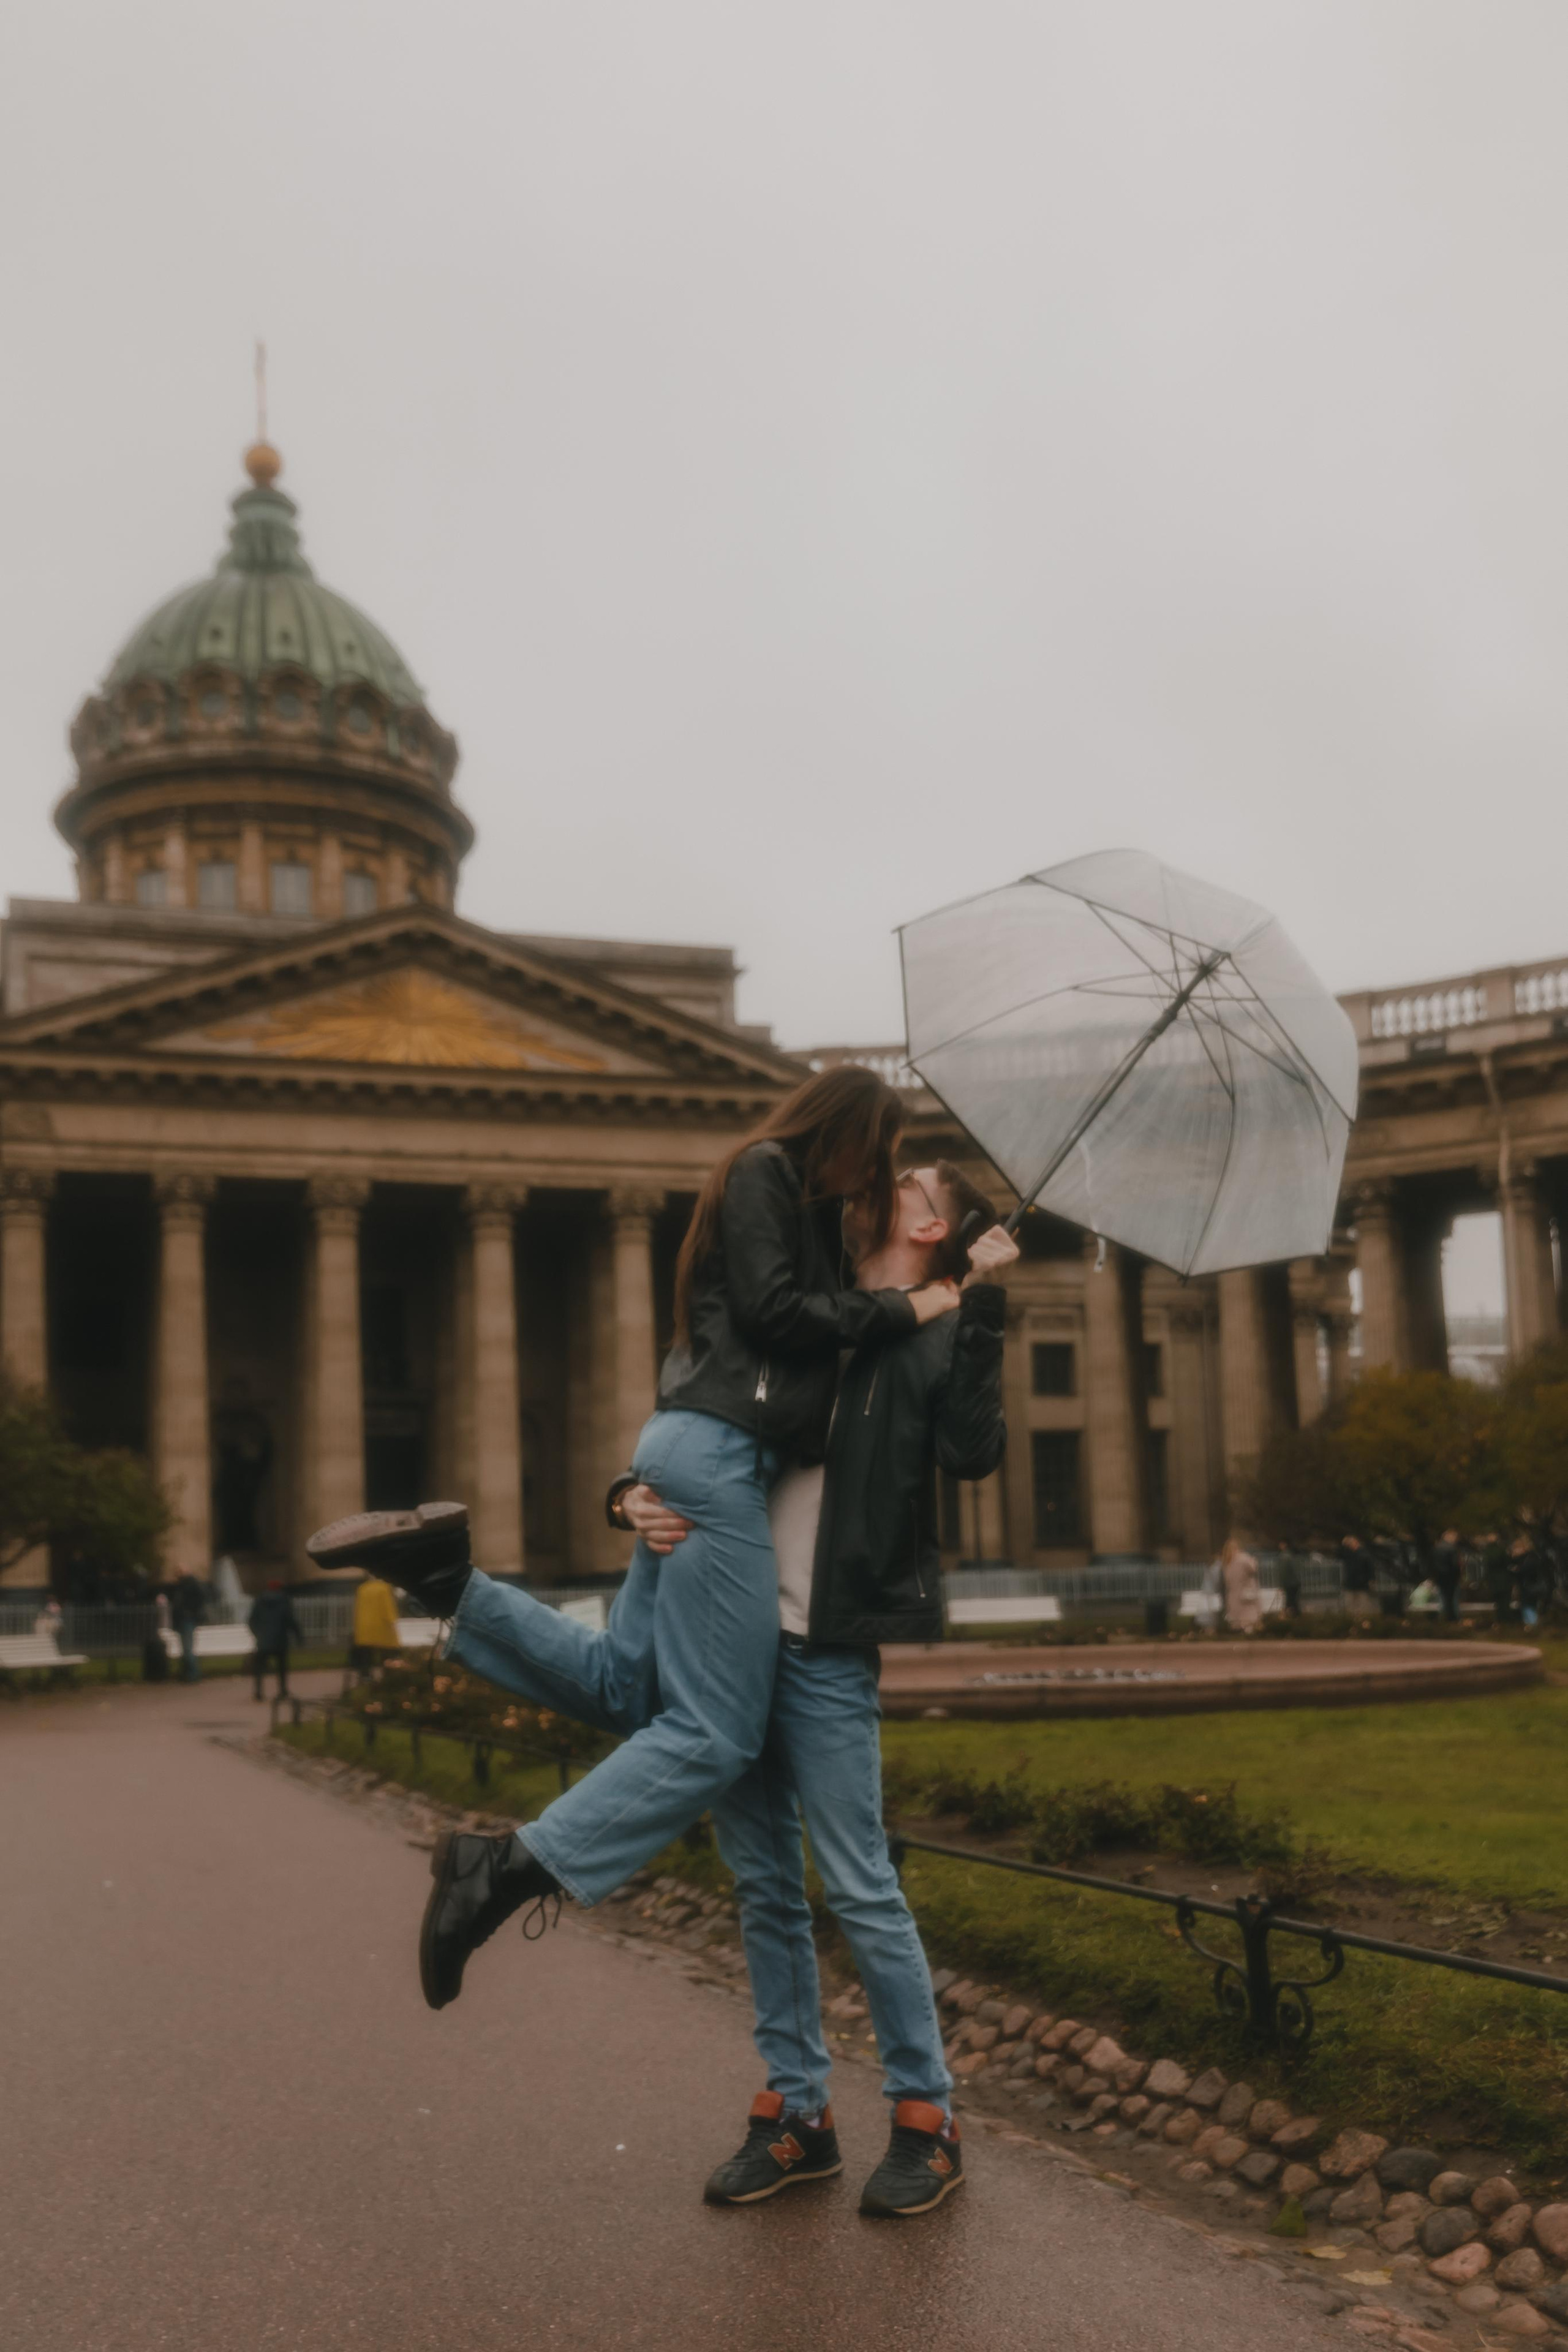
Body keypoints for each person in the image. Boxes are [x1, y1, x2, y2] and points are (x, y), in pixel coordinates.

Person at [305, 1067, 958, 2006]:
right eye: (880, 1159)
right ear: (846, 1129)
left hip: (701, 1464)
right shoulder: (770, 1177)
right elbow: (769, 1327)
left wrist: (961, 1302)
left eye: (903, 1184)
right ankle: (509, 1865)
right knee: (716, 1734)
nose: (877, 1183)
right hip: (717, 1465)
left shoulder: (831, 1245)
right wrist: (909, 1306)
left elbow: (761, 1369)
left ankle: (448, 1581)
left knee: (628, 1683)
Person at [620, 1161, 1016, 2218]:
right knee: (763, 1887)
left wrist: (982, 1307)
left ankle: (928, 2118)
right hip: (734, 1638)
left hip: (828, 1641)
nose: (880, 1177)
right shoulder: (802, 1312)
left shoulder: (938, 1329)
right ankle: (798, 2115)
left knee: (858, 1884)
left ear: (931, 1228)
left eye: (908, 1179)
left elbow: (972, 1451)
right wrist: (629, 1495)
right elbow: (697, 1423)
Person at [248, 1580, 304, 1702]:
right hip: (280, 1640)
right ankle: (282, 1690)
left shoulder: (260, 1601)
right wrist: (299, 1637)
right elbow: (290, 1620)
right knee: (282, 1667)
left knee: (259, 1668)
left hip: (263, 1641)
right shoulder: (284, 1601)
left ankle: (258, 1692)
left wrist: (258, 1635)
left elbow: (252, 1620)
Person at [350, 1571, 402, 1679]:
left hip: (364, 1626)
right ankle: (388, 1674)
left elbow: (358, 1608)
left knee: (367, 1653)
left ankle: (366, 1675)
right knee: (386, 1652)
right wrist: (393, 1620)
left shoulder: (362, 1588)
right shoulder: (384, 1588)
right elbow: (387, 1606)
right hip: (381, 1625)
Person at [168, 1570, 207, 1682]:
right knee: (186, 1649)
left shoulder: (187, 1587)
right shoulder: (184, 1587)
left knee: (187, 1649)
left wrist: (189, 1613)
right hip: (184, 1619)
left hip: (186, 1619)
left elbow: (196, 1601)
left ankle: (193, 1674)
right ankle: (189, 1673)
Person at [1219, 1537, 1262, 1634]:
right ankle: (1248, 1632)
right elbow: (1253, 1568)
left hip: (1233, 1594)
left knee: (1237, 1617)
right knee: (1249, 1615)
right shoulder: (1243, 1558)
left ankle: (1238, 1630)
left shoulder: (1227, 1562)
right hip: (1246, 1593)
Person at [1432, 1531, 1464, 1626]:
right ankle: (1454, 1617)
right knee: (1454, 1598)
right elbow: (1455, 1565)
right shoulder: (1452, 1549)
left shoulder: (1436, 1548)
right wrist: (1459, 1574)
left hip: (1440, 1576)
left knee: (1443, 1596)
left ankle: (1443, 1615)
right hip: (1452, 1577)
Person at [1339, 1535, 1374, 1621]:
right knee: (1350, 1607)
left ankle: (1361, 1622)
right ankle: (1354, 1621)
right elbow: (1339, 1554)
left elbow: (1370, 1569)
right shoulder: (1349, 1554)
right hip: (1351, 1584)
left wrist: (1371, 1580)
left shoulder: (1364, 1554)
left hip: (1361, 1584)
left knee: (1362, 1607)